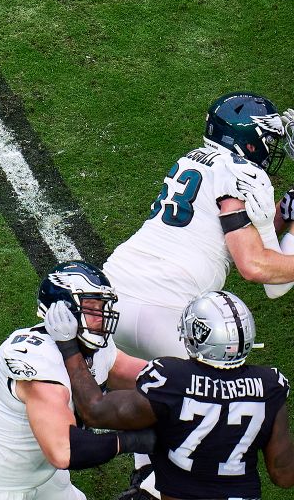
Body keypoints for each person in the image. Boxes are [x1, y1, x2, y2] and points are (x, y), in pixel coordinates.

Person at [100, 93, 294, 496]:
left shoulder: (197, 159)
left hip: (113, 294)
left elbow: (235, 230)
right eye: (269, 135)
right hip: (168, 310)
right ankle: (153, 488)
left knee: (148, 403)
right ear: (248, 138)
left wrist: (283, 217)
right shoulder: (246, 174)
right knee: (200, 422)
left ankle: (143, 481)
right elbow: (263, 271)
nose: (274, 144)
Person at [43, 290, 294, 499]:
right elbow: (284, 475)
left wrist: (68, 346)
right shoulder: (269, 385)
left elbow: (94, 410)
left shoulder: (172, 378)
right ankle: (147, 482)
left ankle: (146, 485)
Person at [0, 261, 155, 499]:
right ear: (63, 310)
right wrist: (133, 441)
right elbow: (64, 450)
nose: (102, 317)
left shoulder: (98, 348)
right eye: (92, 307)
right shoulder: (35, 357)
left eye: (103, 306)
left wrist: (191, 383)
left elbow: (152, 380)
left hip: (42, 474)